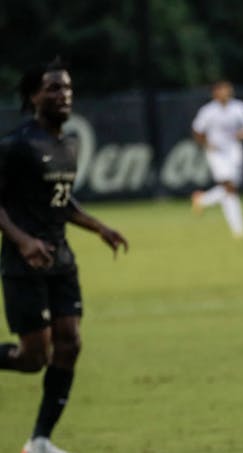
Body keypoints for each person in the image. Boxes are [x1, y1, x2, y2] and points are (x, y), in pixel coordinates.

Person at [0, 59, 129, 453]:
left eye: (68, 88)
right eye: (54, 88)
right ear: (34, 95)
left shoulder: (67, 143)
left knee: (70, 342)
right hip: (25, 263)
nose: (63, 95)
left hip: (60, 260)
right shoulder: (17, 145)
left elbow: (61, 203)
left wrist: (99, 227)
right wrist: (22, 241)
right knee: (32, 357)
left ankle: (39, 440)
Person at [190, 80, 243, 238]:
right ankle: (238, 230)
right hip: (217, 153)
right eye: (223, 89)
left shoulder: (239, 107)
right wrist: (206, 144)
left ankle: (203, 199)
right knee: (229, 187)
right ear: (215, 92)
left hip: (234, 150)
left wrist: (242, 134)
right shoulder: (208, 111)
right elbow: (197, 130)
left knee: (231, 190)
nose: (227, 92)